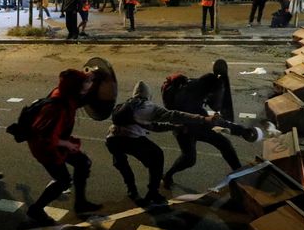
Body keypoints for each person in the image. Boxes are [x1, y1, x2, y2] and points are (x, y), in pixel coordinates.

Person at [106, 81, 241, 206]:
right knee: (157, 156)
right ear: (148, 95)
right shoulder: (148, 106)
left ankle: (132, 191)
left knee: (122, 163)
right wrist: (204, 119)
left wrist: (174, 127)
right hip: (131, 140)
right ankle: (153, 192)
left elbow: (153, 127)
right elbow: (175, 115)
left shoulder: (126, 105)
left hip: (112, 140)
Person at [162, 60, 255, 189]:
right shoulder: (187, 97)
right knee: (189, 159)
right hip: (184, 128)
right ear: (209, 91)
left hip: (197, 122)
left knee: (224, 143)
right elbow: (212, 121)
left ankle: (239, 175)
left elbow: (213, 107)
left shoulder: (200, 86)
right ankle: (168, 175)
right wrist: (241, 131)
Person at [25, 69, 102, 225]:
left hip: (57, 142)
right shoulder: (57, 108)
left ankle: (80, 203)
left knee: (82, 163)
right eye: (85, 83)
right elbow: (45, 136)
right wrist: (67, 144)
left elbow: (81, 96)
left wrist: (93, 76)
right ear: (76, 88)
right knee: (63, 181)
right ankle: (36, 209)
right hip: (45, 148)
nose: (89, 84)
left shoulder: (66, 94)